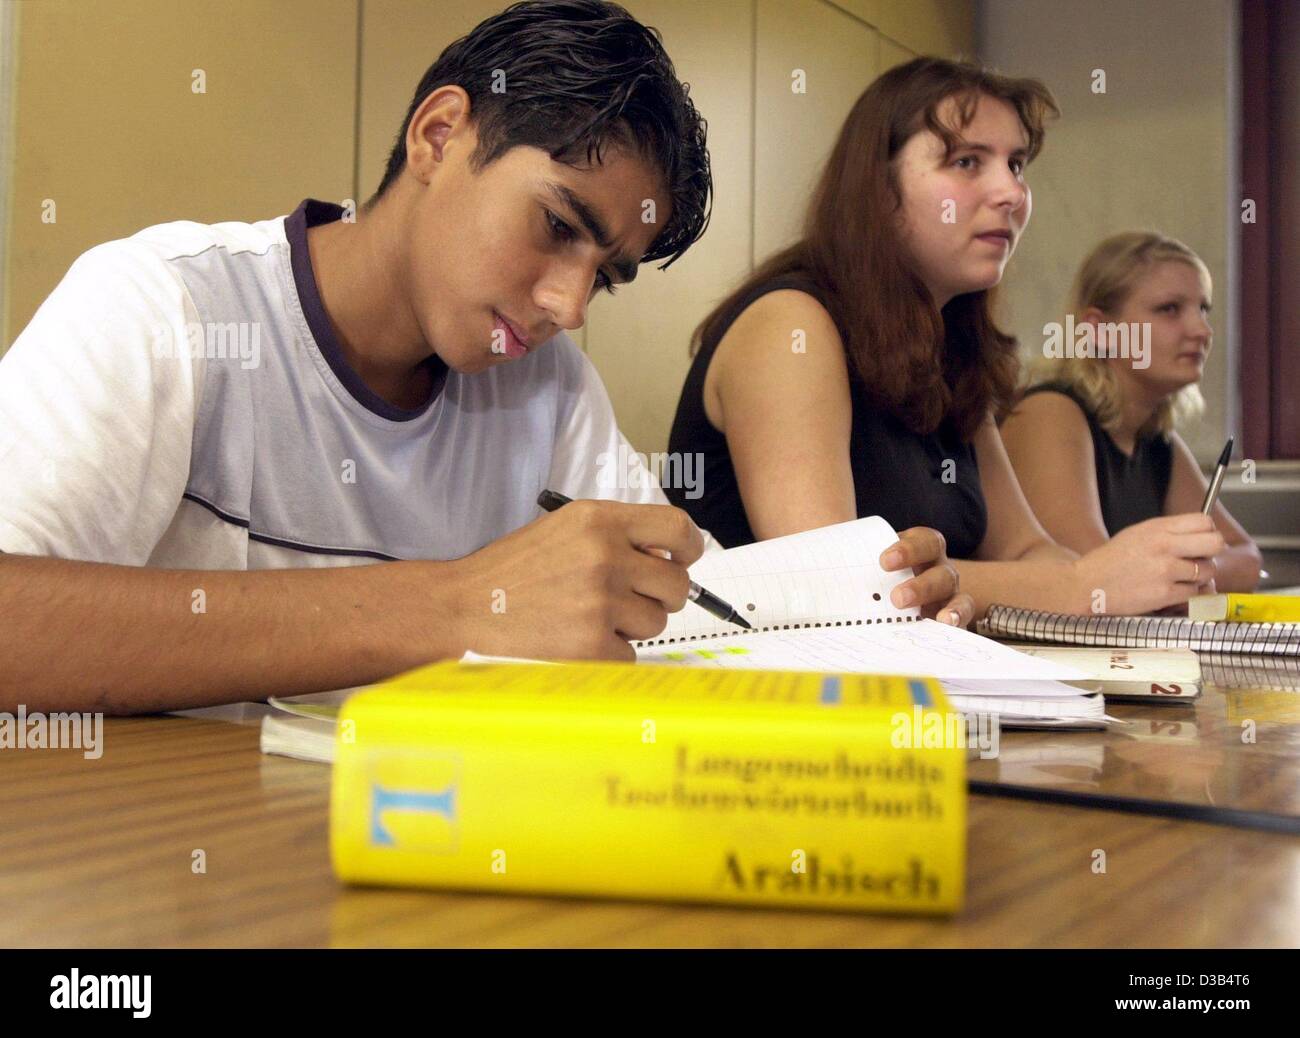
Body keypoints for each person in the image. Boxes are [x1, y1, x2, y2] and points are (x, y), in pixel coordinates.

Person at [0, 2, 964, 714]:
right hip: (161, 869)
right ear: (437, 134)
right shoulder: (169, 305)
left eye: (607, 276)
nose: (568, 305)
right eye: (555, 226)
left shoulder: (548, 393)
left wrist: (859, 606)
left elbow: (703, 616)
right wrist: (459, 604)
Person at [666, 57, 1224, 621]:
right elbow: (838, 590)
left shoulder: (949, 351)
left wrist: (1089, 584)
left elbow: (1030, 551)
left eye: (1016, 164)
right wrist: (1082, 586)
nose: (1011, 192)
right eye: (966, 161)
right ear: (878, 189)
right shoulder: (791, 325)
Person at [1000, 231, 1260, 590]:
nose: (1202, 330)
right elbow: (1096, 577)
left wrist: (1175, 570)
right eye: (1169, 309)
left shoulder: (1156, 440)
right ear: (1101, 330)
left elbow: (1247, 560)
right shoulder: (1050, 412)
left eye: (1203, 309)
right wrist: (1189, 569)